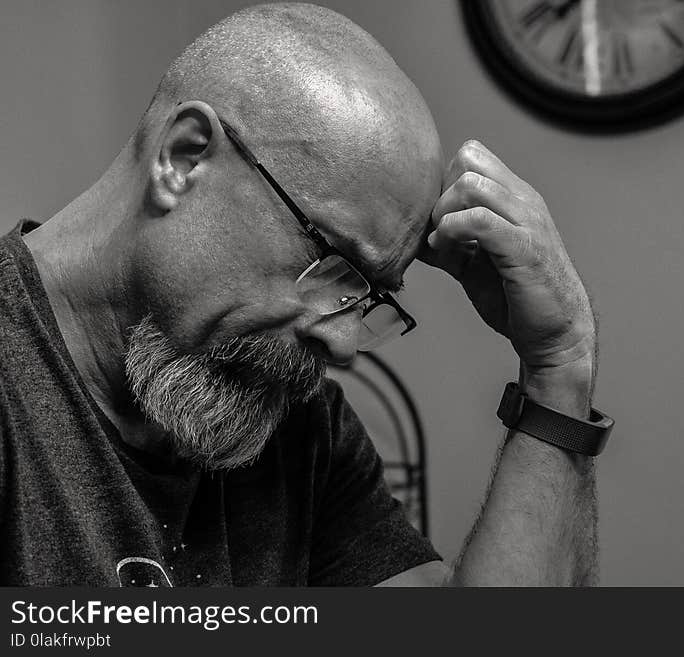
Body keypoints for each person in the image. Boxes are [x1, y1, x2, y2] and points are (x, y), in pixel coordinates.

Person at [0, 2, 606, 586]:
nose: (344, 345)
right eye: (331, 262)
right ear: (183, 158)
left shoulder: (295, 425)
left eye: (368, 295)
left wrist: (558, 363)